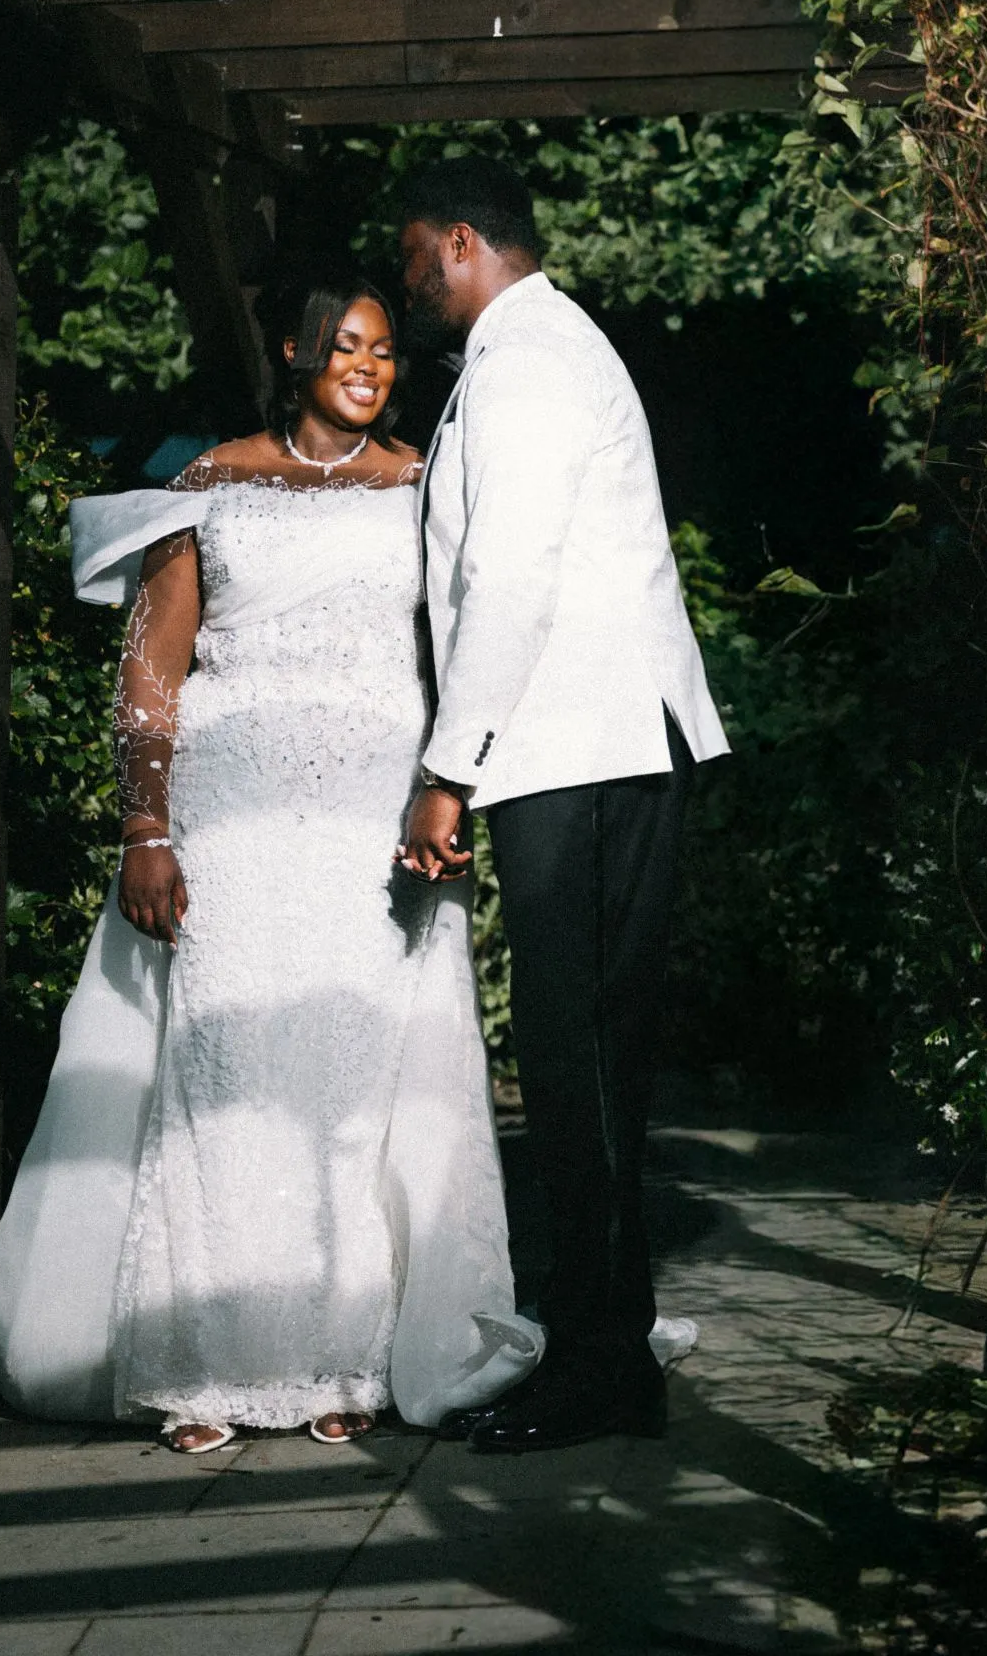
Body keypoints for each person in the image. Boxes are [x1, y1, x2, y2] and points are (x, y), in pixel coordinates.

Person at [0, 278, 541, 1452]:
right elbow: (152, 674)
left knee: (349, 1075)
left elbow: (471, 640)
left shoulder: (424, 485)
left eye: (384, 350)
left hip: (366, 830)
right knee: (222, 1061)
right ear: (294, 350)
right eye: (345, 345)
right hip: (231, 822)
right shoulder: (213, 481)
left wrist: (453, 787)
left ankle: (342, 1357)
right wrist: (147, 827)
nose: (369, 366)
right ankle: (204, 1362)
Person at [395, 157, 730, 1454]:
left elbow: (512, 574)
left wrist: (446, 769)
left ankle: (596, 1368)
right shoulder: (530, 347)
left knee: (577, 1062)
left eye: (413, 251)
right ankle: (607, 1352)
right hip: (589, 749)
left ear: (463, 239)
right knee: (588, 1064)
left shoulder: (527, 355)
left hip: (575, 751)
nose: (407, 276)